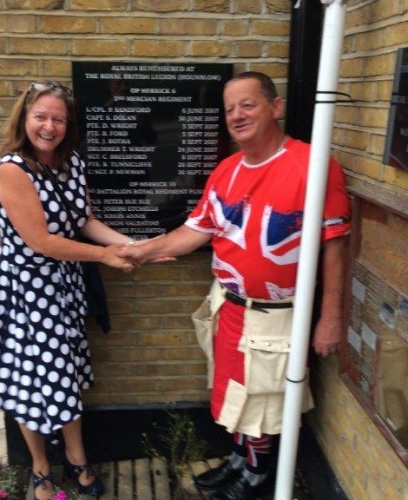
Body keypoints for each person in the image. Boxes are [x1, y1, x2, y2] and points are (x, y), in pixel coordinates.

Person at [119, 71, 351, 500]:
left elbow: (335, 248)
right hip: (227, 306)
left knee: (261, 401)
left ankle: (259, 475)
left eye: (248, 104)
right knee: (235, 395)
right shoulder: (226, 170)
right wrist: (139, 250)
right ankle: (241, 460)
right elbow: (194, 231)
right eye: (230, 109)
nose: (237, 116)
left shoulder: (313, 166)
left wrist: (332, 316)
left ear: (275, 107)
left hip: (275, 314)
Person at [0, 81, 137, 500]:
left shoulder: (71, 162)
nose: (49, 126)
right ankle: (40, 466)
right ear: (24, 118)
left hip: (64, 287)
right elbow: (41, 241)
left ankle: (76, 458)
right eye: (41, 116)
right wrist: (104, 256)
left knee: (64, 374)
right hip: (25, 292)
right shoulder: (11, 169)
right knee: (28, 379)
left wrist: (131, 246)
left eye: (58, 118)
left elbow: (84, 220)